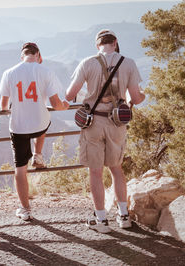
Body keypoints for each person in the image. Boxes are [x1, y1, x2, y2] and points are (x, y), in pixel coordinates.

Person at [66, 29, 145, 233]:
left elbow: (69, 94)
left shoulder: (87, 63)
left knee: (95, 171)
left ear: (97, 45)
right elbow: (135, 99)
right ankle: (124, 216)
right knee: (117, 169)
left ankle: (101, 220)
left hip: (93, 122)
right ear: (115, 42)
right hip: (117, 123)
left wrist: (89, 92)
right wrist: (142, 95)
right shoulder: (128, 63)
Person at [0, 42, 69, 221]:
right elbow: (55, 104)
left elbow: (3, 105)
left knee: (20, 168)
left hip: (18, 126)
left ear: (22, 56)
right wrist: (64, 106)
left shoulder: (9, 72)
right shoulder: (45, 71)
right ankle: (38, 154)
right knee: (45, 120)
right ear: (38, 55)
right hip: (40, 123)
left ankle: (25, 209)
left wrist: (11, 111)